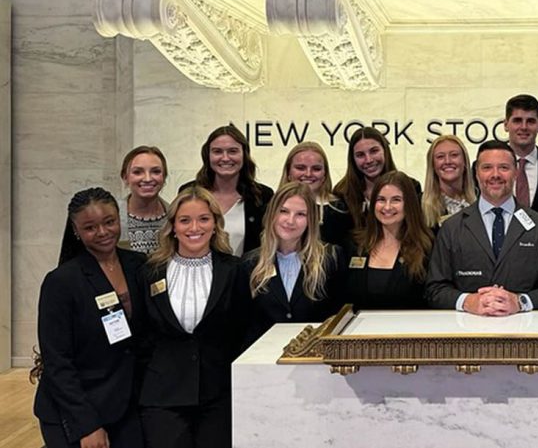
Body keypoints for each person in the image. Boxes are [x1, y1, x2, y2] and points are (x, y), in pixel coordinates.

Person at [34, 188, 148, 448]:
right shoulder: (61, 282)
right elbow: (57, 361)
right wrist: (87, 424)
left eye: (109, 222)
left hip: (124, 404)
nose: (103, 232)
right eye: (90, 227)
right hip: (75, 409)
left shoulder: (139, 265)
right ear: (76, 230)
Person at [138, 186, 243, 448]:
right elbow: (141, 333)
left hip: (218, 394)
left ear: (216, 225)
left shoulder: (234, 271)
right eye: (185, 220)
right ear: (173, 226)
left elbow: (241, 330)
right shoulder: (150, 272)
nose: (194, 227)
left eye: (204, 219)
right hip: (162, 395)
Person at [426, 140, 538, 315]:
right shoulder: (451, 228)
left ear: (516, 172)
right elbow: (434, 289)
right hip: (467, 334)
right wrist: (468, 301)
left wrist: (520, 302)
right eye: (487, 168)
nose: (495, 175)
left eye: (503, 167)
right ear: (476, 173)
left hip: (524, 336)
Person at [239, 182, 343, 348]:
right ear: (272, 214)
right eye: (284, 211)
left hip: (314, 358)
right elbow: (243, 323)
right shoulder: (250, 263)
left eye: (301, 214)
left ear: (311, 220)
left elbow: (337, 318)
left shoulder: (330, 258)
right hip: (262, 359)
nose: (290, 221)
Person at [343, 171, 433, 309]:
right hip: (360, 329)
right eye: (381, 200)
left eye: (396, 200)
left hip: (407, 329)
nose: (387, 207)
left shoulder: (426, 248)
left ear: (409, 204)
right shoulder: (354, 245)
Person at [183, 125, 273, 257]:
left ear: (244, 154)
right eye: (217, 151)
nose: (225, 158)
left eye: (233, 151)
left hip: (245, 276)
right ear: (207, 155)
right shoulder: (189, 192)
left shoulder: (263, 196)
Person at [333, 126, 421, 232]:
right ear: (353, 159)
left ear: (385, 151)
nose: (368, 160)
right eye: (360, 155)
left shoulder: (411, 187)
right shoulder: (342, 194)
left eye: (374, 151)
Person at [278, 141, 352, 245]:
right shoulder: (272, 207)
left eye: (316, 169)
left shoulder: (342, 210)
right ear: (288, 172)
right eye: (300, 168)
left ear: (324, 175)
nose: (308, 174)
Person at [118, 145, 170, 254]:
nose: (147, 179)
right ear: (125, 177)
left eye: (156, 172)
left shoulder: (174, 216)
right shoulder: (113, 217)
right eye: (137, 172)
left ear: (164, 177)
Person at [422, 135, 476, 229]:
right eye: (440, 157)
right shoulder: (419, 208)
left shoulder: (480, 202)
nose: (447, 161)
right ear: (433, 165)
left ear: (464, 161)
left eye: (454, 155)